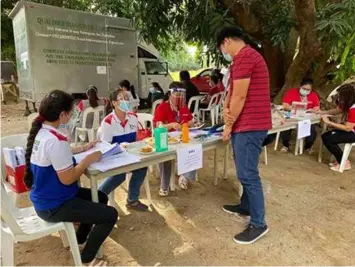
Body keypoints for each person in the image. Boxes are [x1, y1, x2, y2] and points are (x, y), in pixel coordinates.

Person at [24, 90, 118, 266]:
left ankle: (80, 239)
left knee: (101, 197)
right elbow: (68, 179)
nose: (73, 115)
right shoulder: (55, 141)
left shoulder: (43, 132)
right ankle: (86, 260)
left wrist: (83, 148)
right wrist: (88, 159)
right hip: (54, 205)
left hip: (49, 198)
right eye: (72, 112)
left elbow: (59, 154)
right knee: (110, 215)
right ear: (62, 115)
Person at [217, 26, 271, 244]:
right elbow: (231, 93)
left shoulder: (246, 57)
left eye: (221, 47)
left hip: (250, 124)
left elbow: (240, 96)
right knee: (246, 169)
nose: (223, 51)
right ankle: (245, 206)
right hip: (245, 123)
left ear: (227, 40)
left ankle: (258, 223)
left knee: (248, 174)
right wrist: (225, 110)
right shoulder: (239, 60)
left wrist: (228, 126)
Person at [98, 89, 148, 211]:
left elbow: (135, 140)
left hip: (130, 155)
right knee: (119, 175)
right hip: (113, 157)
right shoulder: (108, 122)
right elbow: (104, 148)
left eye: (127, 98)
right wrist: (119, 147)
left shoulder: (133, 118)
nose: (126, 101)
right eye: (122, 98)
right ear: (114, 103)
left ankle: (132, 200)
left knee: (142, 167)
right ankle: (97, 199)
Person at [153, 82, 196, 196]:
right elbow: (159, 126)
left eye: (181, 94)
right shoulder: (162, 107)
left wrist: (190, 122)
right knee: (165, 154)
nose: (179, 97)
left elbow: (191, 120)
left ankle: (185, 176)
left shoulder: (183, 107)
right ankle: (164, 185)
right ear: (169, 94)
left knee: (195, 149)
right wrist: (171, 125)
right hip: (167, 138)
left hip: (182, 138)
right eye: (177, 94)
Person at [320, 82, 355, 172]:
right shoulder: (348, 103)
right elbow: (338, 110)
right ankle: (341, 160)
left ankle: (344, 162)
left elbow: (348, 128)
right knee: (326, 136)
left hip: (352, 132)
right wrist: (321, 113)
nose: (339, 98)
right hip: (351, 130)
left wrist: (329, 122)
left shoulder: (353, 109)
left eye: (341, 96)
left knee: (329, 138)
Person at [280, 78, 320, 153]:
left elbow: (317, 107)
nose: (306, 91)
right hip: (293, 115)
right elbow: (285, 105)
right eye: (304, 88)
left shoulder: (313, 95)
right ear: (300, 86)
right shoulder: (291, 92)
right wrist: (293, 109)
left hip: (307, 118)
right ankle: (286, 145)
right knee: (285, 128)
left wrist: (314, 109)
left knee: (312, 131)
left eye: (308, 90)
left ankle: (308, 146)